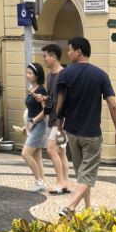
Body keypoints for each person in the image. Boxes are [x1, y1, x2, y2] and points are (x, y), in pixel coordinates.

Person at [55, 36, 116, 216]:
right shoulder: (100, 75)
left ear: (79, 52)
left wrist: (59, 128)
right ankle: (70, 208)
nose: (68, 53)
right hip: (92, 134)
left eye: (70, 49)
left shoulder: (64, 74)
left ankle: (88, 209)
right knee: (87, 175)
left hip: (72, 133)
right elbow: (113, 105)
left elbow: (59, 105)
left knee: (82, 175)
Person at [36, 43, 71, 195]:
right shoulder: (50, 76)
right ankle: (66, 183)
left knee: (51, 149)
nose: (44, 59)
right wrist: (44, 98)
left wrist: (62, 122)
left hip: (61, 120)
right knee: (61, 151)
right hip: (53, 118)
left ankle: (60, 182)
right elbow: (52, 98)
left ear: (53, 57)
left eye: (45, 56)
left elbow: (67, 100)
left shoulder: (64, 74)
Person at [21, 62, 48, 192]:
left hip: (39, 125)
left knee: (25, 153)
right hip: (32, 125)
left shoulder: (41, 91)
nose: (27, 75)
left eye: (30, 73)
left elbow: (45, 111)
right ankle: (41, 182)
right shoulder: (31, 88)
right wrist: (26, 125)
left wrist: (33, 121)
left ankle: (38, 181)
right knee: (37, 156)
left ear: (37, 76)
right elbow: (31, 109)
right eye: (27, 72)